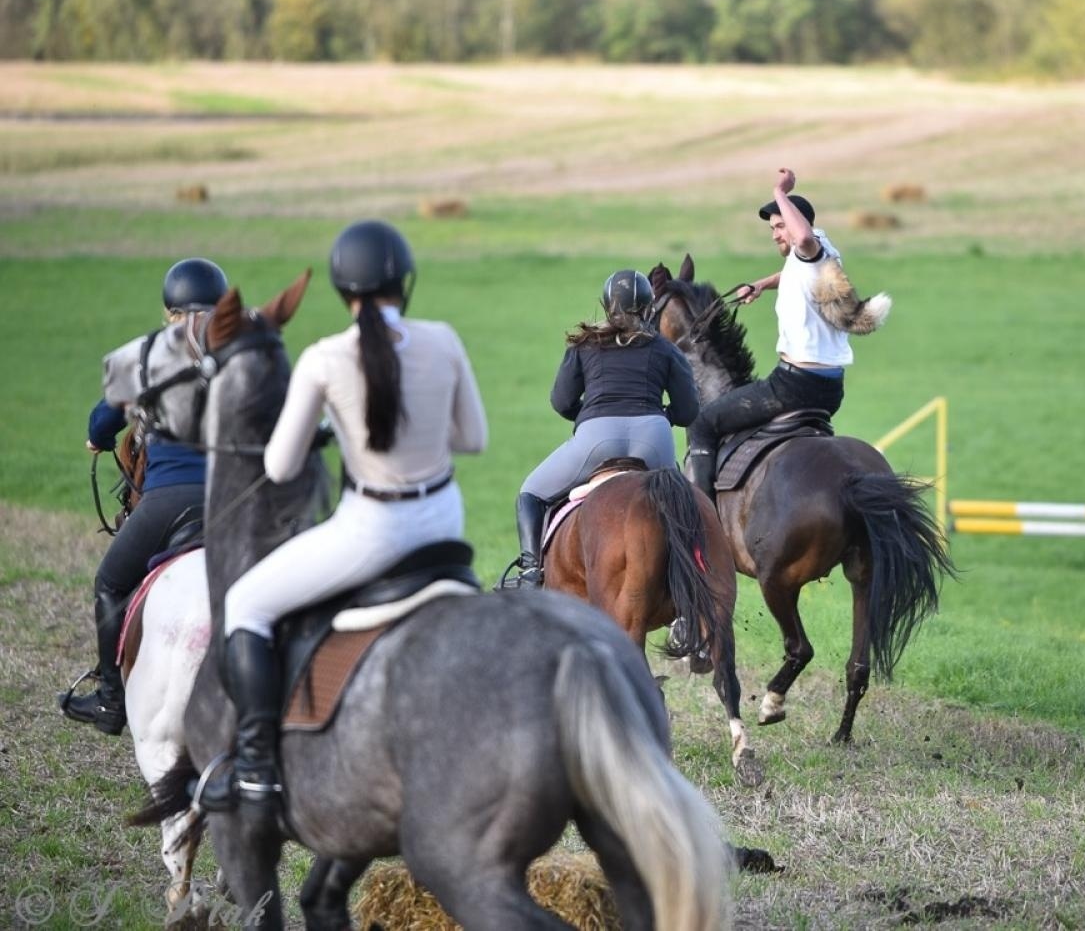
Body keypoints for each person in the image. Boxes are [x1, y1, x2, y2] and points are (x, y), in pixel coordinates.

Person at [199, 220, 487, 811]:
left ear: (341, 289)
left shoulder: (324, 356)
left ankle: (255, 764)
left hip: (373, 531)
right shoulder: (445, 337)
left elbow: (279, 467)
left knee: (245, 606)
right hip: (444, 522)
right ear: (404, 283)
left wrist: (336, 429)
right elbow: (473, 438)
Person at [62, 258, 228, 735]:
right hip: (232, 502)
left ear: (168, 310)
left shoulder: (148, 352)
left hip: (168, 499)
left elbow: (104, 418)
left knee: (110, 583)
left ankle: (112, 701)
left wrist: (99, 438)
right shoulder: (239, 351)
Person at [683, 168, 888, 497]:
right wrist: (763, 284)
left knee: (703, 423)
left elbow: (801, 239)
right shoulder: (820, 253)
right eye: (773, 228)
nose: (776, 234)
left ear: (798, 224)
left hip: (794, 386)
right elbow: (795, 266)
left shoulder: (807, 245)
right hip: (829, 389)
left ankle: (702, 517)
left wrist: (780, 191)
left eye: (780, 226)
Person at [513, 269, 698, 587]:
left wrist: (589, 415)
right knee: (685, 505)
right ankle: (696, 576)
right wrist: (665, 414)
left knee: (531, 493)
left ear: (606, 305)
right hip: (653, 438)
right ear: (649, 308)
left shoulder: (584, 344)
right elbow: (688, 411)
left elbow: (561, 401)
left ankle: (531, 572)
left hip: (596, 439)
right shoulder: (666, 349)